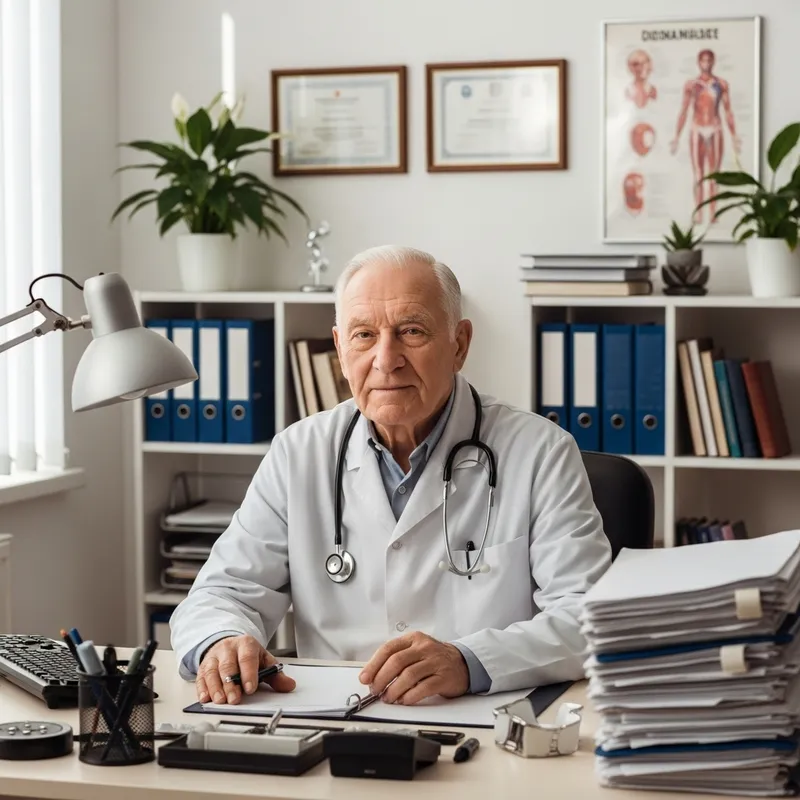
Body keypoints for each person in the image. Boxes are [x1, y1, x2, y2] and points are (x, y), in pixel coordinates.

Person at [170, 245, 612, 707]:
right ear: (340, 347)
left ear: (459, 344)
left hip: (486, 724)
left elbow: (589, 616)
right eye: (364, 335)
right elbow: (222, 593)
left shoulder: (540, 451)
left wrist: (468, 661)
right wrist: (220, 641)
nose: (386, 358)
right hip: (336, 721)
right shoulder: (298, 453)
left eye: (412, 331)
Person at [669, 49, 741, 223]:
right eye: (703, 61)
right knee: (699, 174)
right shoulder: (691, 85)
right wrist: (676, 137)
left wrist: (734, 136)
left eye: (709, 61)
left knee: (714, 174)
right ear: (698, 62)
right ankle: (699, 212)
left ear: (713, 62)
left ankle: (713, 212)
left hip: (715, 128)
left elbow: (728, 111)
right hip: (697, 128)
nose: (706, 64)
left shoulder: (721, 84)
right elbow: (684, 111)